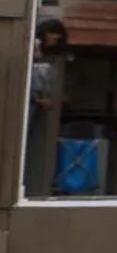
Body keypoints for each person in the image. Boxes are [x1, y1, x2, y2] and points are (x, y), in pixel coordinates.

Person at [25, 17, 69, 199]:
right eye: (53, 36)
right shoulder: (34, 44)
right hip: (33, 99)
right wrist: (39, 99)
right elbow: (30, 75)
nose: (53, 41)